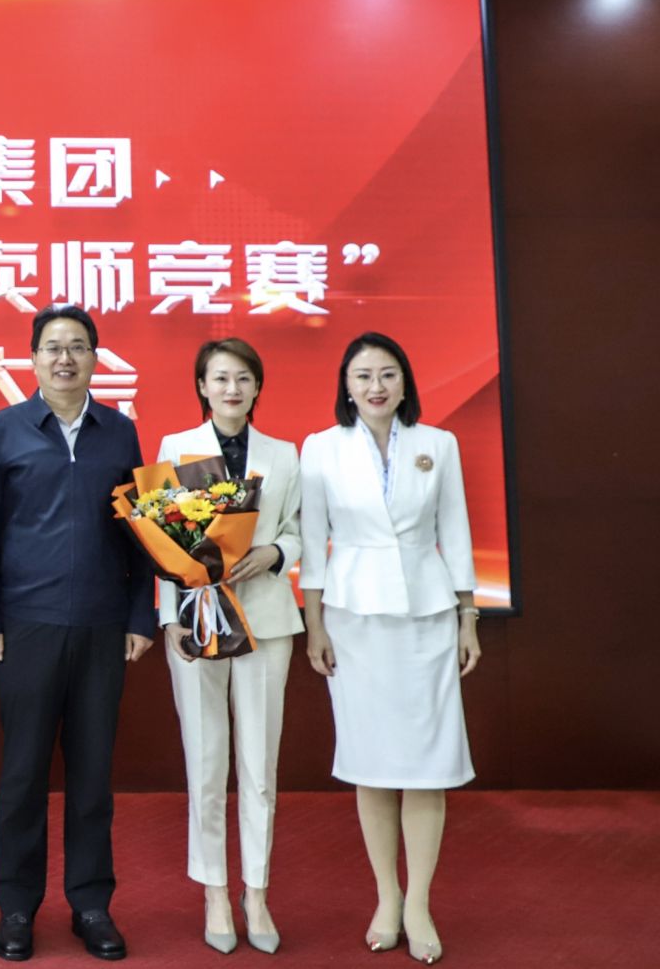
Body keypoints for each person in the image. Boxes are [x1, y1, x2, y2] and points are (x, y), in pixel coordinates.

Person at [0, 305, 156, 963]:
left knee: (93, 775)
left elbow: (141, 532)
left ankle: (91, 904)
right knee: (22, 774)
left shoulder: (119, 432)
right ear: (33, 358)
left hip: (103, 625)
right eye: (52, 347)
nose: (64, 358)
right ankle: (17, 907)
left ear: (96, 358)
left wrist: (139, 616)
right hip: (26, 625)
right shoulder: (4, 428)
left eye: (77, 346)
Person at [300, 332, 481, 966]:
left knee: (428, 763)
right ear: (346, 387)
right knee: (372, 762)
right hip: (354, 620)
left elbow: (455, 529)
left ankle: (420, 902)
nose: (375, 386)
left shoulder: (439, 443)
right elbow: (313, 541)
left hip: (427, 615)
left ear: (405, 383)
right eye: (363, 376)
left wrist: (467, 617)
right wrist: (314, 625)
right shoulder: (321, 447)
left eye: (387, 374)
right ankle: (386, 896)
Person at [155, 338, 302, 956]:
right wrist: (170, 619)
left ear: (257, 387)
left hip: (265, 621)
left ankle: (256, 891)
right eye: (220, 378)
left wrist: (275, 552)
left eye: (243, 378)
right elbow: (163, 541)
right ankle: (215, 889)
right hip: (196, 622)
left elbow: (298, 529)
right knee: (206, 759)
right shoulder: (176, 448)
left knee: (259, 765)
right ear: (202, 387)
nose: (232, 389)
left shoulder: (284, 454)